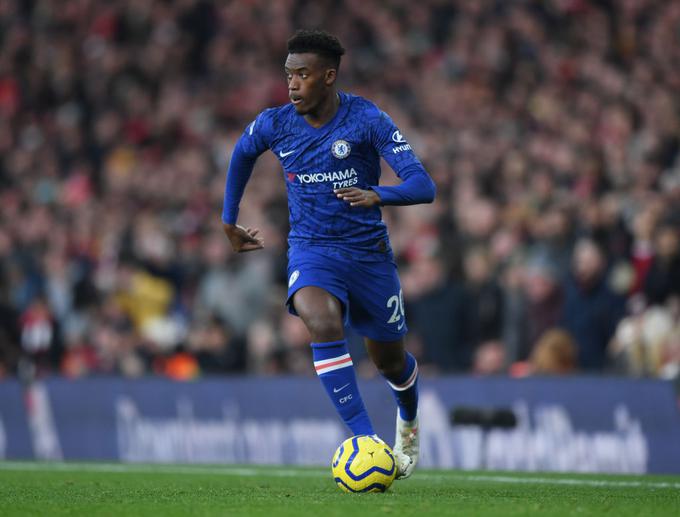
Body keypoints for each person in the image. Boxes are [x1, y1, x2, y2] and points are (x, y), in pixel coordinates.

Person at [221, 29, 436, 479]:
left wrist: (377, 194)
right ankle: (363, 437)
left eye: (303, 74)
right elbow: (242, 154)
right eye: (288, 75)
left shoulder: (367, 119)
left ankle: (408, 418)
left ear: (329, 76)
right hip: (312, 249)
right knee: (319, 320)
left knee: (390, 362)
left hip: (368, 255)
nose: (293, 84)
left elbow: (423, 185)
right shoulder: (275, 123)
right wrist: (229, 218)